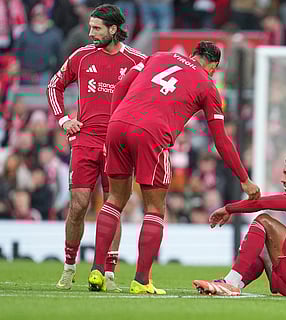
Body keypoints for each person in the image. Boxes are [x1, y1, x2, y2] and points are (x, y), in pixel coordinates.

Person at [87, 41, 261, 294]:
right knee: (155, 208)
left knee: (114, 199)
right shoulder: (207, 85)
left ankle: (97, 270)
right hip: (151, 135)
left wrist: (116, 119)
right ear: (213, 66)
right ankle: (141, 281)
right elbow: (221, 139)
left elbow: (120, 87)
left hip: (117, 125)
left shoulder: (157, 56)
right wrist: (244, 179)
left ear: (193, 54)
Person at [46, 4, 146, 292]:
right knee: (78, 206)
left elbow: (152, 97)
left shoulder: (138, 61)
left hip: (118, 144)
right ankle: (68, 267)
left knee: (112, 207)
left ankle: (109, 273)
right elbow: (54, 85)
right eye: (90, 27)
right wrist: (64, 120)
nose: (90, 33)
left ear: (114, 30)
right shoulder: (81, 56)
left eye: (96, 28)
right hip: (85, 141)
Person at [193, 153, 286, 297]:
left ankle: (230, 282)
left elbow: (262, 203)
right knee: (259, 247)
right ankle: (233, 285)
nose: (283, 179)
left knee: (263, 220)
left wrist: (228, 208)